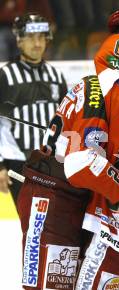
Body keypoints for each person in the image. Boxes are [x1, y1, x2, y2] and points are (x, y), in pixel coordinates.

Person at [15, 10, 119, 290]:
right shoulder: (101, 92)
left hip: (74, 198)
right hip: (52, 198)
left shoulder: (104, 90)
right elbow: (82, 163)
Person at [0, 13, 67, 207]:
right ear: (19, 40)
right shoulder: (5, 76)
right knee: (29, 225)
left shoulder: (55, 75)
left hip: (51, 163)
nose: (37, 44)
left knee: (52, 226)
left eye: (41, 38)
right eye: (31, 38)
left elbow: (65, 121)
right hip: (18, 162)